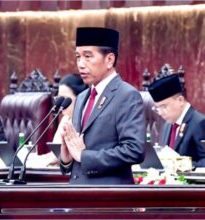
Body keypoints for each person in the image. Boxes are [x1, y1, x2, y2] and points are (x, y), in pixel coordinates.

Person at [60, 27, 146, 184]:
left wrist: (84, 156)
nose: (81, 64)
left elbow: (134, 150)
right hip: (77, 196)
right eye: (78, 57)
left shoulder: (126, 95)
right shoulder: (81, 97)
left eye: (88, 57)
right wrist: (67, 158)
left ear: (109, 60)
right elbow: (77, 158)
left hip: (108, 198)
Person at [148, 74, 205, 167]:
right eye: (157, 108)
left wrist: (182, 165)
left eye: (164, 106)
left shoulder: (199, 123)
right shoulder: (167, 124)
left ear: (180, 100)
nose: (160, 112)